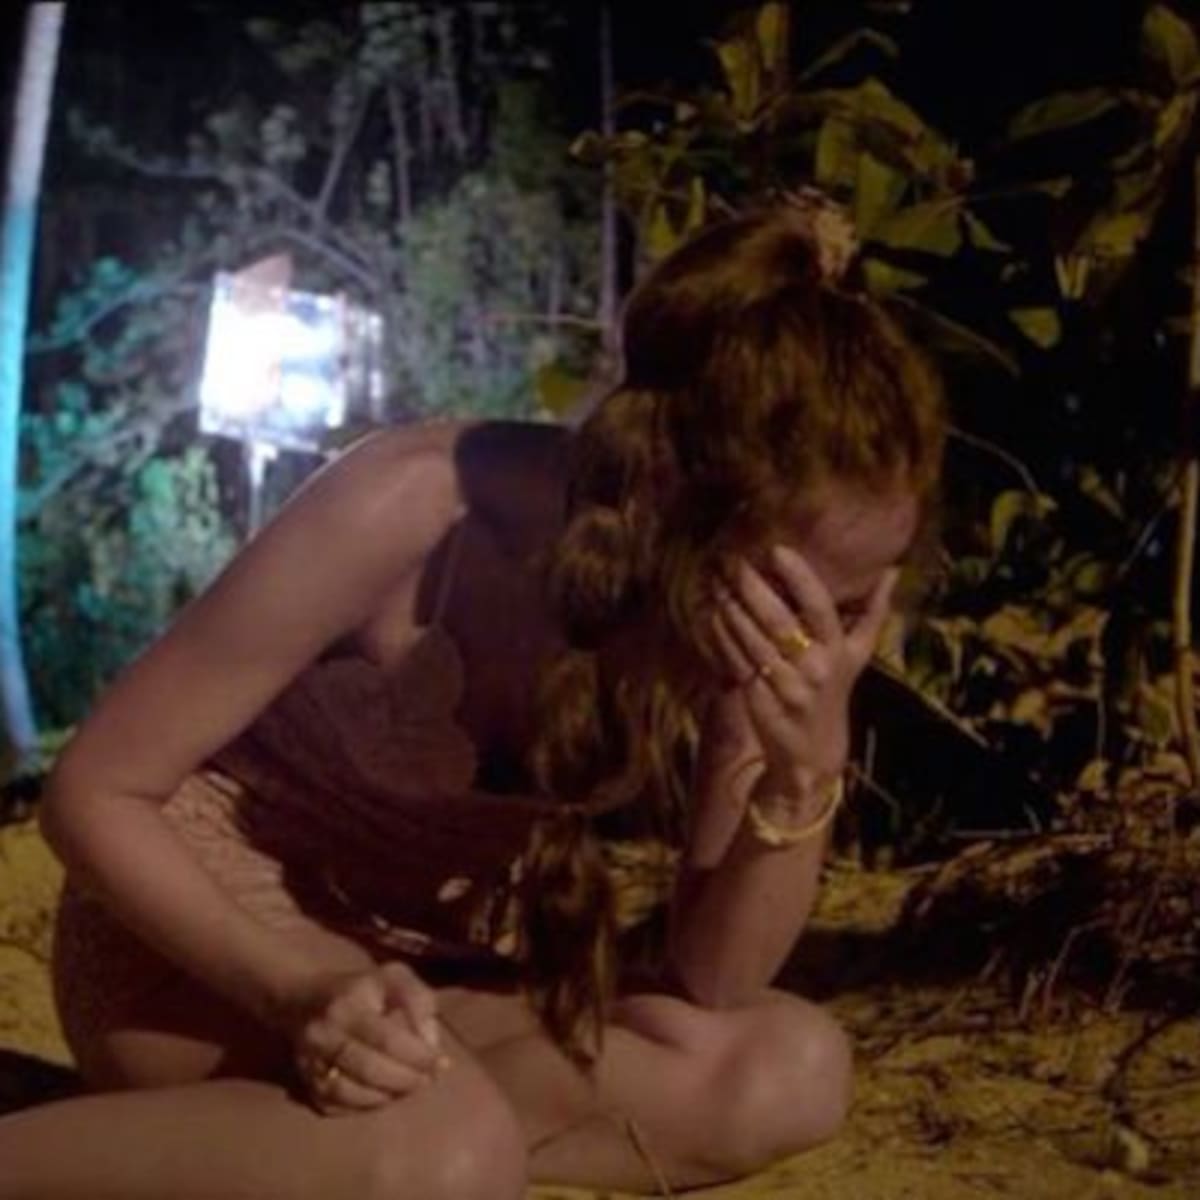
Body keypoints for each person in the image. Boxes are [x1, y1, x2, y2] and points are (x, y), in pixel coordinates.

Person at [0, 194, 944, 1199]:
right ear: (682, 508)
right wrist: (296, 992)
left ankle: (349, 1152)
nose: (819, 635)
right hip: (203, 958)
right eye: (799, 595)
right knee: (450, 1153)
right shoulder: (412, 506)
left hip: (424, 978)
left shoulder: (747, 639)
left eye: (852, 604)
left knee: (785, 1068)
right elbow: (92, 794)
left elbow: (716, 982)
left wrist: (803, 773)